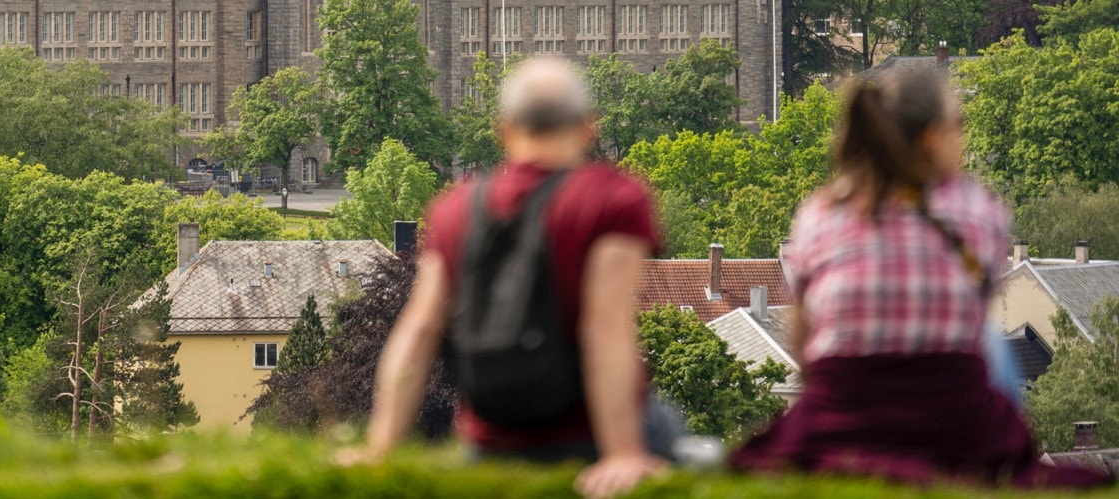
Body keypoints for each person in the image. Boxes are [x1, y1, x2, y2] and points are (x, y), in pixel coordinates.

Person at [731, 68, 1106, 488]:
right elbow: (970, 327)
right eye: (958, 126)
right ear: (932, 137)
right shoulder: (975, 211)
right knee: (996, 347)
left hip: (844, 414)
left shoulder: (822, 213)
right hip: (952, 418)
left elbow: (803, 337)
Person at [341, 57, 670, 498]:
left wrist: (380, 448)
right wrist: (623, 454)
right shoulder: (613, 199)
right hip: (583, 431)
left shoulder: (456, 208)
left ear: (505, 129)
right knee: (680, 435)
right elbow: (605, 327)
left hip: (493, 434)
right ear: (588, 127)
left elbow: (419, 330)